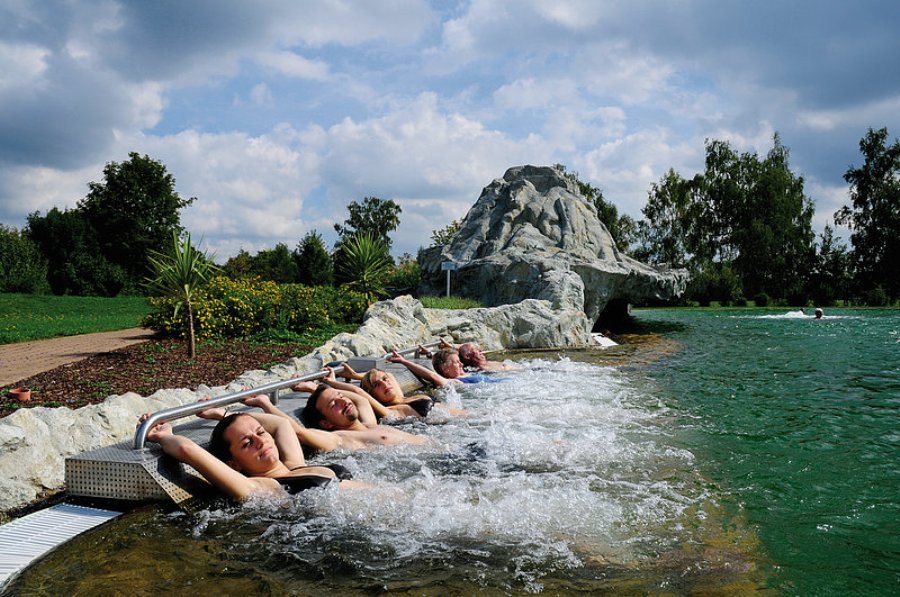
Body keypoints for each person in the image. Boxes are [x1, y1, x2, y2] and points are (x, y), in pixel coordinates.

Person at [139, 402, 355, 502]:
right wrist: (164, 435)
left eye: (260, 432)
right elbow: (188, 449)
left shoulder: (295, 465)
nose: (260, 441)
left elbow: (281, 424)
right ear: (234, 464)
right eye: (247, 443)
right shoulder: (265, 489)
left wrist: (222, 413)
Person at [290, 369, 428, 449]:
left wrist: (317, 388)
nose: (343, 401)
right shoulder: (341, 439)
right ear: (326, 423)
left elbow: (360, 398)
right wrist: (267, 402)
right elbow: (299, 432)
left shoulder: (370, 424)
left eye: (341, 396)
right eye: (333, 404)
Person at [337, 361, 465, 417]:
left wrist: (354, 375)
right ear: (373, 395)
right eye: (376, 385)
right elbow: (358, 392)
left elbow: (390, 375)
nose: (384, 384)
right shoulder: (391, 411)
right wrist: (330, 382)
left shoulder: (401, 397)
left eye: (384, 380)